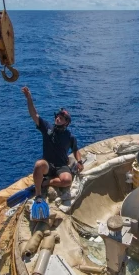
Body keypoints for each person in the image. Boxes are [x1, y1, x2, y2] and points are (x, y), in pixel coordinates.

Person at [21, 86, 83, 219]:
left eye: (62, 118)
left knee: (67, 180)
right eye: (58, 116)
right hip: (48, 164)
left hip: (61, 165)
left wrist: (80, 161)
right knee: (38, 165)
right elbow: (34, 114)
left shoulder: (70, 136)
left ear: (67, 123)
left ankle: (45, 183)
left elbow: (76, 150)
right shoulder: (47, 127)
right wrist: (29, 98)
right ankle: (38, 196)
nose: (58, 118)